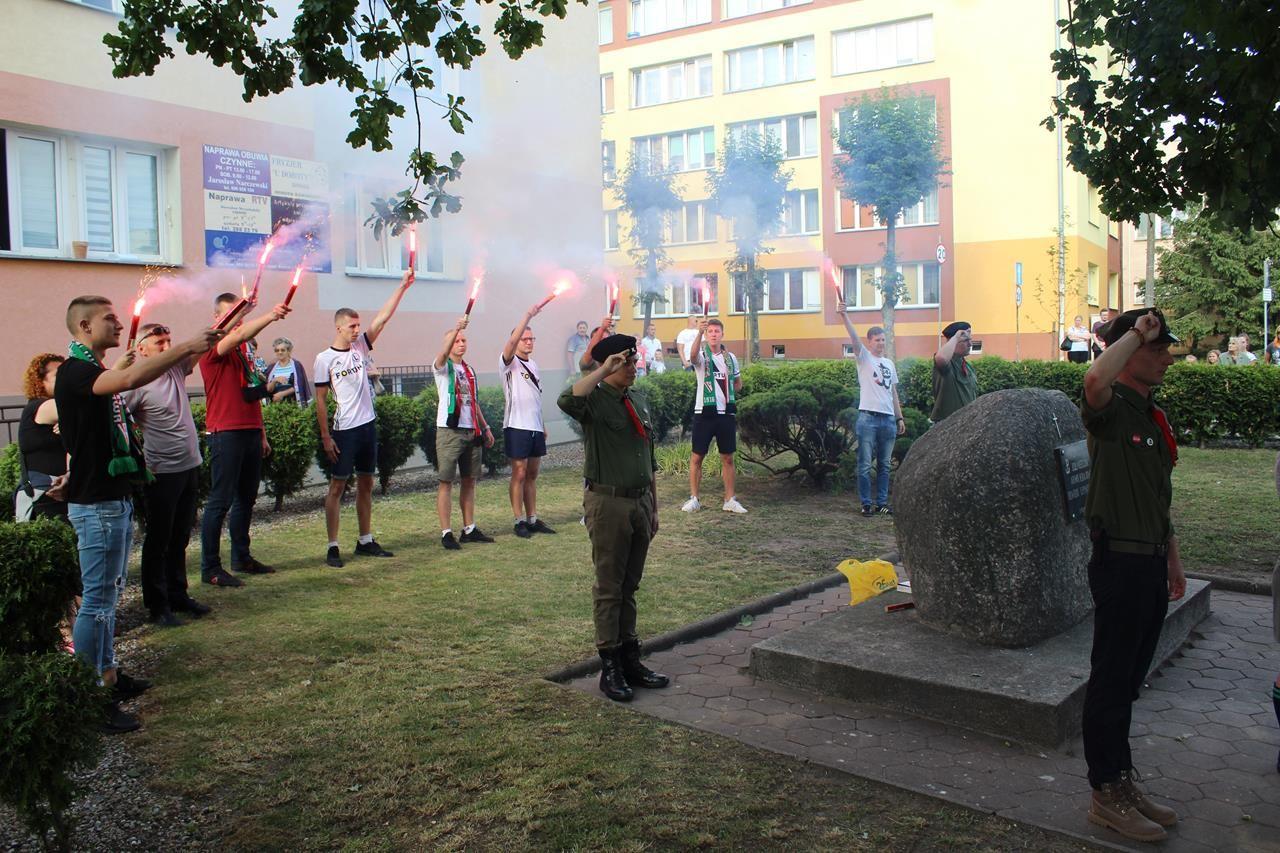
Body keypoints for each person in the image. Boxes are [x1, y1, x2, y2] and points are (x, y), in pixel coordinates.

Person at [57, 295, 222, 733]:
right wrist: (185, 346)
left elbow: (117, 387)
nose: (117, 322)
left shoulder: (93, 371)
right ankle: (93, 693)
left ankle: (109, 674)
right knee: (97, 603)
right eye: (109, 318)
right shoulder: (76, 372)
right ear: (85, 327)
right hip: (97, 505)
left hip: (110, 497)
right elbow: (132, 380)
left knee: (107, 598)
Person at [1079, 308, 1185, 842]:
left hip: (1147, 560)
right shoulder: (1112, 407)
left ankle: (1121, 778)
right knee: (1110, 682)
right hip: (1118, 562)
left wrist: (1172, 554)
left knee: (1128, 683)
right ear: (1128, 351)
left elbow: (1155, 496)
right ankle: (1105, 793)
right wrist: (1130, 334)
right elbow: (1095, 377)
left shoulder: (1148, 412)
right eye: (1155, 347)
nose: (1166, 356)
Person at [557, 334, 669, 703]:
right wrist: (602, 368)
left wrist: (654, 505)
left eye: (634, 362)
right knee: (609, 588)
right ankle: (609, 668)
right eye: (627, 363)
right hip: (608, 504)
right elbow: (566, 400)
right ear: (611, 366)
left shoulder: (636, 399)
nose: (635, 368)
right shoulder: (594, 401)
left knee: (629, 587)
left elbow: (647, 455)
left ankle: (629, 659)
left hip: (639, 502)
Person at [314, 270, 413, 568]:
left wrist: (402, 287)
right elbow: (320, 399)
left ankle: (365, 539)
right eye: (352, 326)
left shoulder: (361, 347)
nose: (357, 330)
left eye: (358, 325)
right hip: (344, 430)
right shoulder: (324, 359)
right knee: (337, 487)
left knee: (367, 484)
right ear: (339, 327)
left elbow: (382, 319)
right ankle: (333, 546)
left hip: (367, 427)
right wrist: (326, 436)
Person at [123, 323, 213, 627]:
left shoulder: (174, 371)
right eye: (159, 342)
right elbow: (118, 420)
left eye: (169, 341)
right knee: (159, 540)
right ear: (141, 348)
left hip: (189, 465)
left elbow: (203, 343)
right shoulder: (135, 383)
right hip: (161, 472)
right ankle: (157, 605)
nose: (166, 346)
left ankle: (178, 594)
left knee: (181, 536)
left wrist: (233, 317)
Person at [199, 293, 291, 587]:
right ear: (218, 318)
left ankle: (242, 557)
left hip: (250, 430)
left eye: (241, 314)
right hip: (225, 432)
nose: (238, 320)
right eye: (232, 314)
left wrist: (261, 432)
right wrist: (271, 316)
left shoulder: (243, 352)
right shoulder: (214, 345)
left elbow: (249, 395)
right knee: (220, 501)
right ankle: (211, 568)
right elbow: (236, 336)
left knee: (246, 499)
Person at [432, 316, 496, 550]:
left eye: (463, 340)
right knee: (446, 481)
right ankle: (446, 532)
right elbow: (441, 356)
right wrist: (456, 328)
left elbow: (473, 402)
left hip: (472, 430)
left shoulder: (468, 370)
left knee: (469, 481)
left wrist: (486, 427)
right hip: (450, 431)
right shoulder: (442, 367)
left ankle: (469, 528)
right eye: (456, 340)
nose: (461, 343)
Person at [838, 308, 906, 517]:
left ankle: (882, 503)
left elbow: (892, 391)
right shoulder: (864, 359)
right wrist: (844, 316)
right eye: (877, 340)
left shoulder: (889, 364)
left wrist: (899, 417)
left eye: (883, 340)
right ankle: (866, 503)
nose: (881, 343)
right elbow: (854, 338)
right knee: (865, 464)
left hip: (887, 420)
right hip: (867, 419)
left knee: (885, 465)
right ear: (869, 342)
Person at [501, 301, 556, 539]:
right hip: (516, 425)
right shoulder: (509, 362)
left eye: (532, 339)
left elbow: (536, 396)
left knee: (532, 474)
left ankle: (533, 518)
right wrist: (528, 315)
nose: (529, 342)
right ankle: (518, 520)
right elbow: (511, 344)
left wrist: (542, 423)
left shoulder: (533, 364)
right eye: (525, 338)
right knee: (519, 473)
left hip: (534, 425)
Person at [681, 318, 746, 514]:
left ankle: (729, 500)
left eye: (717, 331)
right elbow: (692, 358)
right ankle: (694, 499)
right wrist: (698, 334)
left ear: (722, 334)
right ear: (706, 334)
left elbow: (738, 383)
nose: (714, 334)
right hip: (704, 412)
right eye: (710, 331)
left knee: (727, 457)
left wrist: (728, 393)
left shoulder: (730, 358)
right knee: (697, 457)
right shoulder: (702, 356)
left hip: (725, 413)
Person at [17, 353, 68, 522]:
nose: (66, 378)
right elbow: (81, 409)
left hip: (59, 490)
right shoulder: (41, 406)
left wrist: (70, 426)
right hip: (47, 493)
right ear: (40, 381)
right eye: (58, 374)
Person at [931, 321, 978, 421]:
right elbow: (941, 358)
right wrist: (956, 337)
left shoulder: (968, 367)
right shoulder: (948, 363)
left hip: (967, 422)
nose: (970, 344)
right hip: (947, 425)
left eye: (970, 340)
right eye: (965, 341)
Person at [266, 337, 311, 406]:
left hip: (293, 404)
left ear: (289, 351)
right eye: (277, 350)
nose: (279, 352)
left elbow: (300, 385)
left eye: (282, 350)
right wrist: (275, 380)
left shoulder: (296, 365)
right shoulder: (271, 367)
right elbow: (268, 389)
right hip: (275, 406)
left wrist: (282, 394)